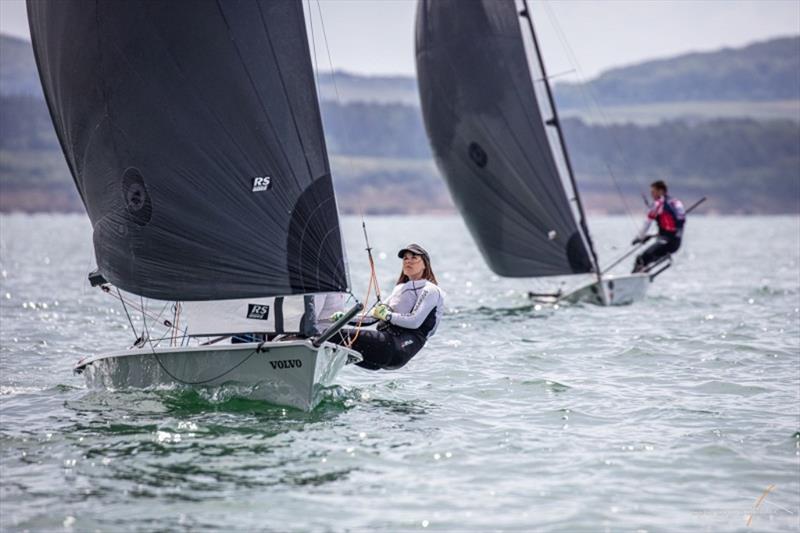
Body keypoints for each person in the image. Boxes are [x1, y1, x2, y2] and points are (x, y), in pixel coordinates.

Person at [335, 244, 445, 371]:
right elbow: (372, 318)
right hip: (385, 349)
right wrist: (345, 318)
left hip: (398, 348)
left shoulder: (430, 289)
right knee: (330, 338)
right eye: (405, 258)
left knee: (335, 336)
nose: (408, 261)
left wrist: (388, 315)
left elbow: (414, 321)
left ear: (425, 264)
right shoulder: (400, 288)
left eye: (414, 258)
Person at [632, 180, 686, 273]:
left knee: (640, 259)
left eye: (653, 192)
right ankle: (643, 273)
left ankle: (633, 282)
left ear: (661, 191)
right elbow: (676, 224)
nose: (651, 195)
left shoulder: (658, 204)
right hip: (676, 243)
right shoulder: (676, 202)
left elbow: (647, 222)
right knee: (646, 261)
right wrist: (651, 235)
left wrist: (640, 237)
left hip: (666, 242)